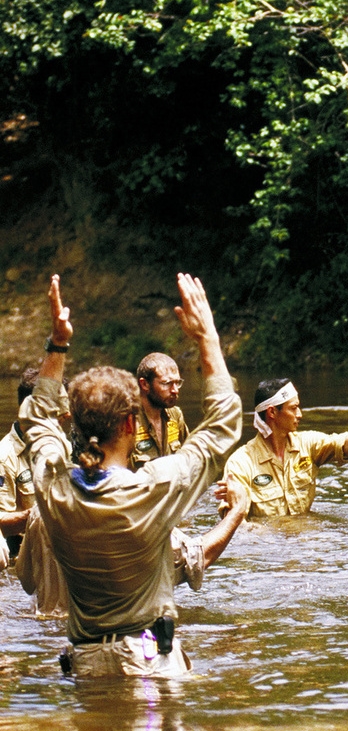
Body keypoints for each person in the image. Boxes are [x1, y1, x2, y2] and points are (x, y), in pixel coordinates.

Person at [20, 273, 242, 678]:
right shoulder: (155, 487)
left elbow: (35, 420)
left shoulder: (54, 488)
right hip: (148, 663)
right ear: (128, 426)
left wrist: (58, 345)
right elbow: (224, 425)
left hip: (85, 664)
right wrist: (207, 336)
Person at [16, 477, 250, 617]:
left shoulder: (43, 506)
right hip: (113, 652)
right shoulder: (129, 508)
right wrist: (237, 510)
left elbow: (25, 578)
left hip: (57, 652)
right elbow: (195, 558)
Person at [221, 378, 348, 519]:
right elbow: (236, 525)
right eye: (294, 408)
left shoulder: (307, 444)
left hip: (306, 540)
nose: (300, 415)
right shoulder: (241, 463)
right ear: (272, 412)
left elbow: (343, 444)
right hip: (270, 548)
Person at [1, 367, 41, 564]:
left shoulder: (60, 448)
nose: (65, 415)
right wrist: (38, 516)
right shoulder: (5, 456)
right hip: (22, 558)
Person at [131, 352, 189, 469]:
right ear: (145, 384)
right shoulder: (128, 421)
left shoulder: (175, 415)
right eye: (167, 383)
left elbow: (189, 459)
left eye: (177, 383)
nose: (175, 390)